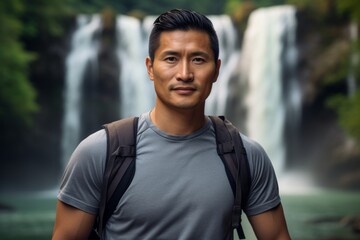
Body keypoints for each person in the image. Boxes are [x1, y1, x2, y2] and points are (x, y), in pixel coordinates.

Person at [52, 9, 291, 240]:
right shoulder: (100, 153)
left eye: (198, 59)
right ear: (150, 68)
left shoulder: (246, 156)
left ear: (217, 70)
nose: (185, 73)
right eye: (171, 59)